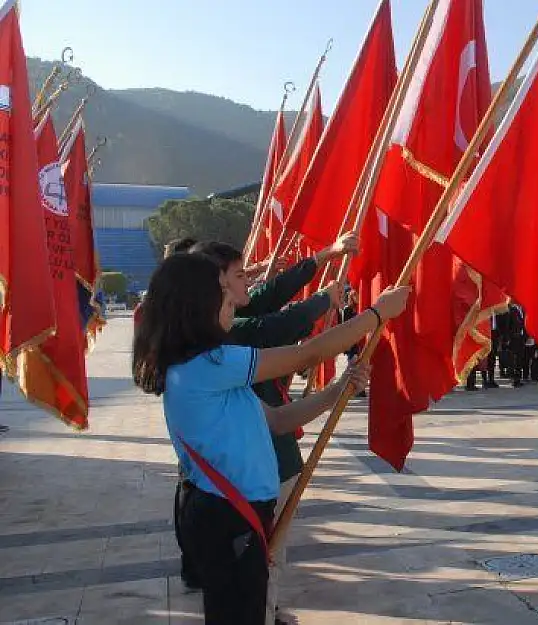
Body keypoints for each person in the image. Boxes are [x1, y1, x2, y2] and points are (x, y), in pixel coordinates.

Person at [133, 253, 410, 624]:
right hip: (227, 515)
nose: (232, 304)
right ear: (197, 307)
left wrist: (336, 390)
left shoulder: (210, 369)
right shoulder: (209, 365)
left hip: (234, 514)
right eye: (225, 298)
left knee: (242, 609)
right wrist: (377, 314)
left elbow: (278, 421)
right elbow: (305, 354)